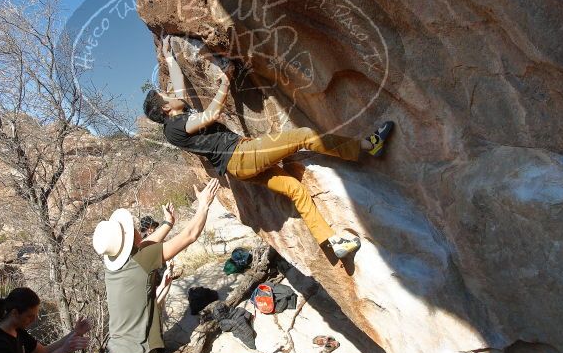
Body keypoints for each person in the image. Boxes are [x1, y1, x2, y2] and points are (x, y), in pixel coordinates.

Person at [143, 36, 395, 259]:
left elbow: (178, 87)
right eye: (165, 96)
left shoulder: (175, 118)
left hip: (238, 167)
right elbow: (210, 115)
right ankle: (367, 146)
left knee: (295, 189)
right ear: (166, 108)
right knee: (304, 136)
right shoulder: (174, 129)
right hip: (241, 156)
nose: (169, 93)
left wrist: (169, 57)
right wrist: (225, 82)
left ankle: (331, 242)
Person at [93, 180, 220, 353]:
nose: (137, 230)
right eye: (132, 229)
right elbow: (190, 236)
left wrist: (168, 223)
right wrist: (204, 205)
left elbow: (147, 244)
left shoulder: (114, 266)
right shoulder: (142, 261)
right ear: (129, 242)